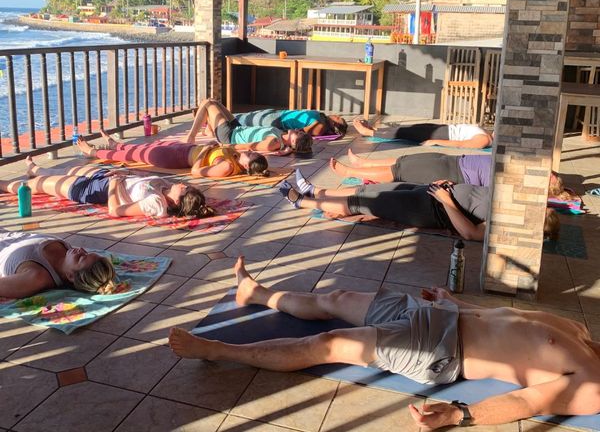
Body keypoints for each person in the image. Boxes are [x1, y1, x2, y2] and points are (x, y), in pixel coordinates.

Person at [169, 257, 600, 430]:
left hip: (439, 347)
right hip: (443, 315)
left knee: (331, 342)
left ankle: (215, 350)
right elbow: (511, 320)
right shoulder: (584, 334)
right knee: (335, 299)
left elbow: (530, 403)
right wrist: (458, 301)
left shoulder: (594, 384)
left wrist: (458, 415)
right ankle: (255, 293)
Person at [279, 170, 560, 241]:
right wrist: (450, 186)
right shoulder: (511, 206)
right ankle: (313, 190)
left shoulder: (504, 227)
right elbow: (476, 195)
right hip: (433, 193)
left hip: (430, 208)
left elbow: (470, 233)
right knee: (370, 190)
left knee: (362, 203)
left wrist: (447, 201)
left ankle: (300, 201)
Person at [0, 158, 214, 219]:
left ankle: (5, 185)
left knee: (34, 187)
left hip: (94, 190)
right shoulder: (166, 187)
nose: (183, 184)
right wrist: (122, 175)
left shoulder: (156, 203)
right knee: (70, 169)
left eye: (184, 189)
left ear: (177, 202)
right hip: (109, 178)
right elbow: (139, 182)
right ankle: (36, 168)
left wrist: (114, 183)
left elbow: (116, 210)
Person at [328, 151, 575, 202]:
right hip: (454, 160)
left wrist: (559, 197)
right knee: (405, 161)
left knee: (399, 172)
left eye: (550, 178)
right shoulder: (521, 167)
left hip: (452, 172)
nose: (548, 173)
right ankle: (363, 163)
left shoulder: (513, 184)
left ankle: (351, 172)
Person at [77, 132, 269, 179]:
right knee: (142, 147)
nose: (249, 151)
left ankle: (92, 151)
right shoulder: (236, 157)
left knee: (134, 155)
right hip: (183, 148)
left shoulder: (227, 167)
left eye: (250, 155)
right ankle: (116, 144)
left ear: (247, 166)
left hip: (176, 158)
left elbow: (196, 172)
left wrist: (204, 150)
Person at [0, 230, 116, 299]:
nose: (80, 249)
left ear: (71, 276)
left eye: (81, 257)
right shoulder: (66, 253)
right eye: (86, 252)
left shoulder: (37, 277)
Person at [185, 99, 313, 154]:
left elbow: (250, 147)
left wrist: (225, 146)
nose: (297, 129)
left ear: (294, 141)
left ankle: (191, 137)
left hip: (229, 136)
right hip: (237, 128)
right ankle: (210, 129)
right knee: (214, 101)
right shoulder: (281, 135)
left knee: (207, 103)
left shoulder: (274, 142)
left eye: (298, 133)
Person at [353, 118, 493, 149]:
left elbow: (461, 144)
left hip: (443, 135)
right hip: (444, 129)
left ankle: (368, 132)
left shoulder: (485, 140)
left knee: (405, 133)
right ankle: (375, 130)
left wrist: (436, 141)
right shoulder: (488, 133)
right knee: (408, 128)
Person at [234, 108, 347, 137]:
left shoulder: (321, 126)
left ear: (334, 124)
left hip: (278, 121)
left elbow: (302, 131)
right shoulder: (321, 118)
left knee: (237, 120)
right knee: (240, 117)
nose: (335, 115)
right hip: (279, 114)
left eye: (337, 118)